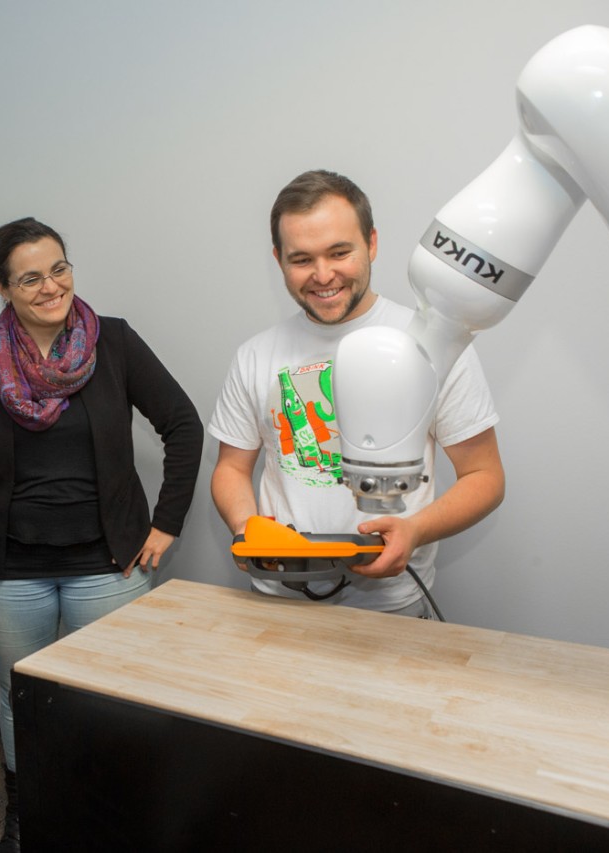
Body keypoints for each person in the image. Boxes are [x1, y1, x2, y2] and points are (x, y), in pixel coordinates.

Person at [0, 217, 204, 852]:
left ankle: (117, 818)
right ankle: (25, 816)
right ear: (3, 288)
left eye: (59, 268)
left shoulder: (112, 342)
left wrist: (165, 523)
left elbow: (183, 425)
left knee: (116, 701)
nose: (50, 286)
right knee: (18, 700)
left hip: (108, 567)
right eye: (29, 277)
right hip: (7, 572)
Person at [210, 170, 505, 614]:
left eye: (339, 252)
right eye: (301, 259)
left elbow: (485, 476)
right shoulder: (254, 355)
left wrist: (416, 531)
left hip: (390, 607)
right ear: (278, 259)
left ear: (371, 243)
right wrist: (246, 527)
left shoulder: (434, 345)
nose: (323, 274)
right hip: (277, 600)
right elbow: (231, 468)